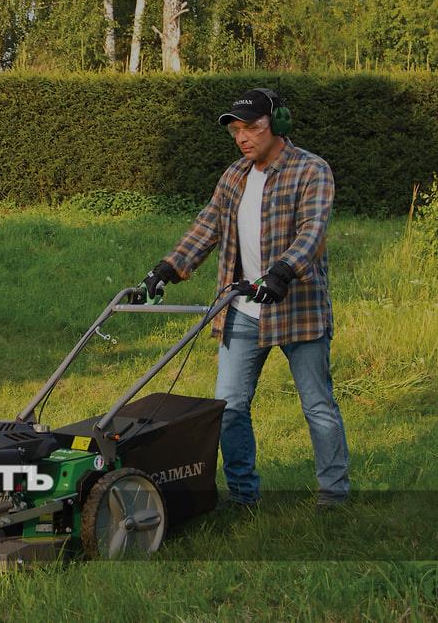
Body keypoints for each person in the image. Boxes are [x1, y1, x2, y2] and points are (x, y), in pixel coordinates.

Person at [138, 87, 350, 509]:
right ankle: (242, 495)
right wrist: (166, 270)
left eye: (251, 127)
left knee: (317, 404)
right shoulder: (234, 175)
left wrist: (282, 272)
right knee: (230, 406)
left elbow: (312, 231)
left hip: (297, 308)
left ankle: (334, 493)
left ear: (278, 124)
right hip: (242, 308)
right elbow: (206, 227)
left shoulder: (311, 170)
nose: (242, 137)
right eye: (236, 130)